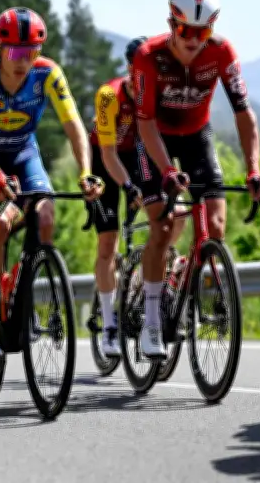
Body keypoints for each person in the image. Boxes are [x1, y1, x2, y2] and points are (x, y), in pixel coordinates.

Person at [132, 0, 260, 357]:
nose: (193, 39)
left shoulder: (222, 52)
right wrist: (165, 170)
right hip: (155, 137)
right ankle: (153, 320)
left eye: (202, 31)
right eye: (185, 30)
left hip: (196, 135)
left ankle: (185, 289)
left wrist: (253, 169)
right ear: (171, 23)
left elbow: (244, 113)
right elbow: (143, 123)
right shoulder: (148, 55)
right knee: (161, 225)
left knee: (217, 228)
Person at [0, 7, 104, 358]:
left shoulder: (48, 73)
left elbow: (74, 127)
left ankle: (24, 286)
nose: (23, 61)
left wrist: (86, 172)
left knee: (46, 213)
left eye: (31, 52)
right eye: (15, 52)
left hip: (24, 151)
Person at [89, 36, 189, 357]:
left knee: (179, 213)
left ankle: (149, 269)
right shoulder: (109, 96)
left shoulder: (160, 96)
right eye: (139, 70)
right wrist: (129, 187)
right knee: (108, 242)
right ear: (129, 68)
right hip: (105, 159)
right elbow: (107, 153)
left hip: (140, 153)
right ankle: (109, 326)